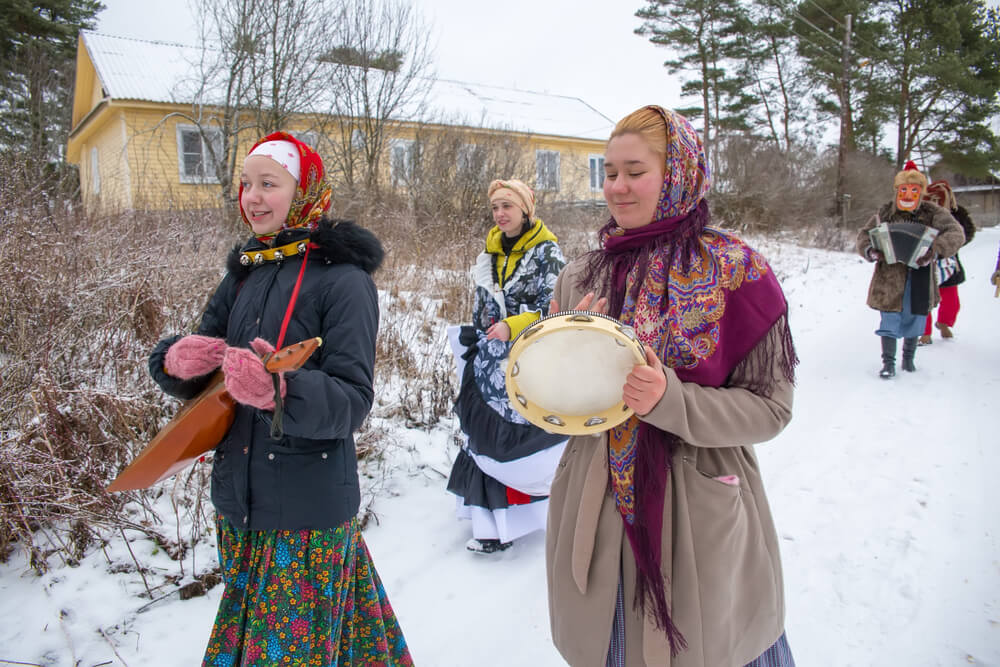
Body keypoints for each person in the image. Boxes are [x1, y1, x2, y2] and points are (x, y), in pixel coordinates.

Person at [545, 105, 799, 667]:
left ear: (678, 171)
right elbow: (552, 402)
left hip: (695, 503)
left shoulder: (736, 271)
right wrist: (565, 348)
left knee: (704, 644)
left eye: (635, 171)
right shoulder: (580, 274)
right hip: (596, 496)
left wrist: (670, 401)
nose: (617, 187)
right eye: (609, 172)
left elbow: (771, 409)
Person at [148, 132, 413, 665]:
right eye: (246, 184)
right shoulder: (245, 273)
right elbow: (210, 369)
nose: (253, 197)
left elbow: (352, 400)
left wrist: (280, 392)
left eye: (269, 184)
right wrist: (177, 360)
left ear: (305, 190)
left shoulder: (345, 281)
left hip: (306, 509)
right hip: (239, 505)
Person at [446, 178, 567, 554]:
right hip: (490, 363)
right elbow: (484, 303)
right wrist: (478, 331)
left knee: (520, 438)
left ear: (525, 210)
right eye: (495, 207)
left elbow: (556, 306)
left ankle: (527, 518)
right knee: (481, 435)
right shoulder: (491, 254)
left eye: (507, 207)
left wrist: (512, 326)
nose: (500, 214)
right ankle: (489, 525)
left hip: (530, 361)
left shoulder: (547, 253)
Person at [856, 161, 965, 378]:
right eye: (903, 190)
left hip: (920, 275)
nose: (908, 195)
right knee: (889, 318)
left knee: (916, 316)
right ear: (897, 190)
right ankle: (888, 363)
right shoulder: (885, 212)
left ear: (921, 192)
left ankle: (908, 360)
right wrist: (870, 250)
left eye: (914, 190)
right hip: (888, 277)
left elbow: (956, 233)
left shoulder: (933, 212)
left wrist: (935, 249)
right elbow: (864, 234)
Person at [918, 179, 976, 344]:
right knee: (924, 300)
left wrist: (951, 242)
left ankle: (944, 323)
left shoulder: (957, 213)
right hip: (925, 260)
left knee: (951, 300)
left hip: (949, 262)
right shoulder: (921, 213)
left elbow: (967, 233)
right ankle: (925, 332)